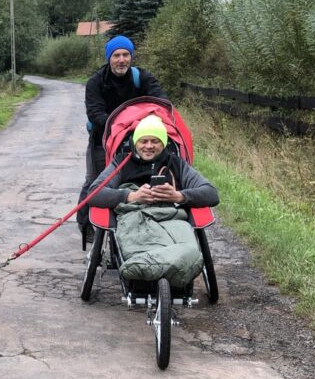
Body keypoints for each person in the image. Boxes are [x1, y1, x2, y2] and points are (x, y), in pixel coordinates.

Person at [88, 114, 219, 288]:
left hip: (171, 217)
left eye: (155, 141)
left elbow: (211, 194)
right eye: (144, 141)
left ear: (163, 143)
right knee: (188, 255)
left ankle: (144, 266)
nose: (149, 146)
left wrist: (179, 196)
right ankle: (162, 265)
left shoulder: (177, 164)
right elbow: (94, 193)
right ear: (136, 143)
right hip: (135, 215)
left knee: (192, 251)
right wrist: (131, 196)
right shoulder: (121, 163)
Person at [77, 35, 167, 244]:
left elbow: (161, 102)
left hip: (138, 141)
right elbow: (95, 115)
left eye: (126, 55)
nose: (121, 60)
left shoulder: (142, 78)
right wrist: (125, 124)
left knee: (139, 180)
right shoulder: (96, 82)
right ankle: (87, 225)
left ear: (131, 57)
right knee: (95, 181)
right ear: (109, 58)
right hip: (103, 139)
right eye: (116, 55)